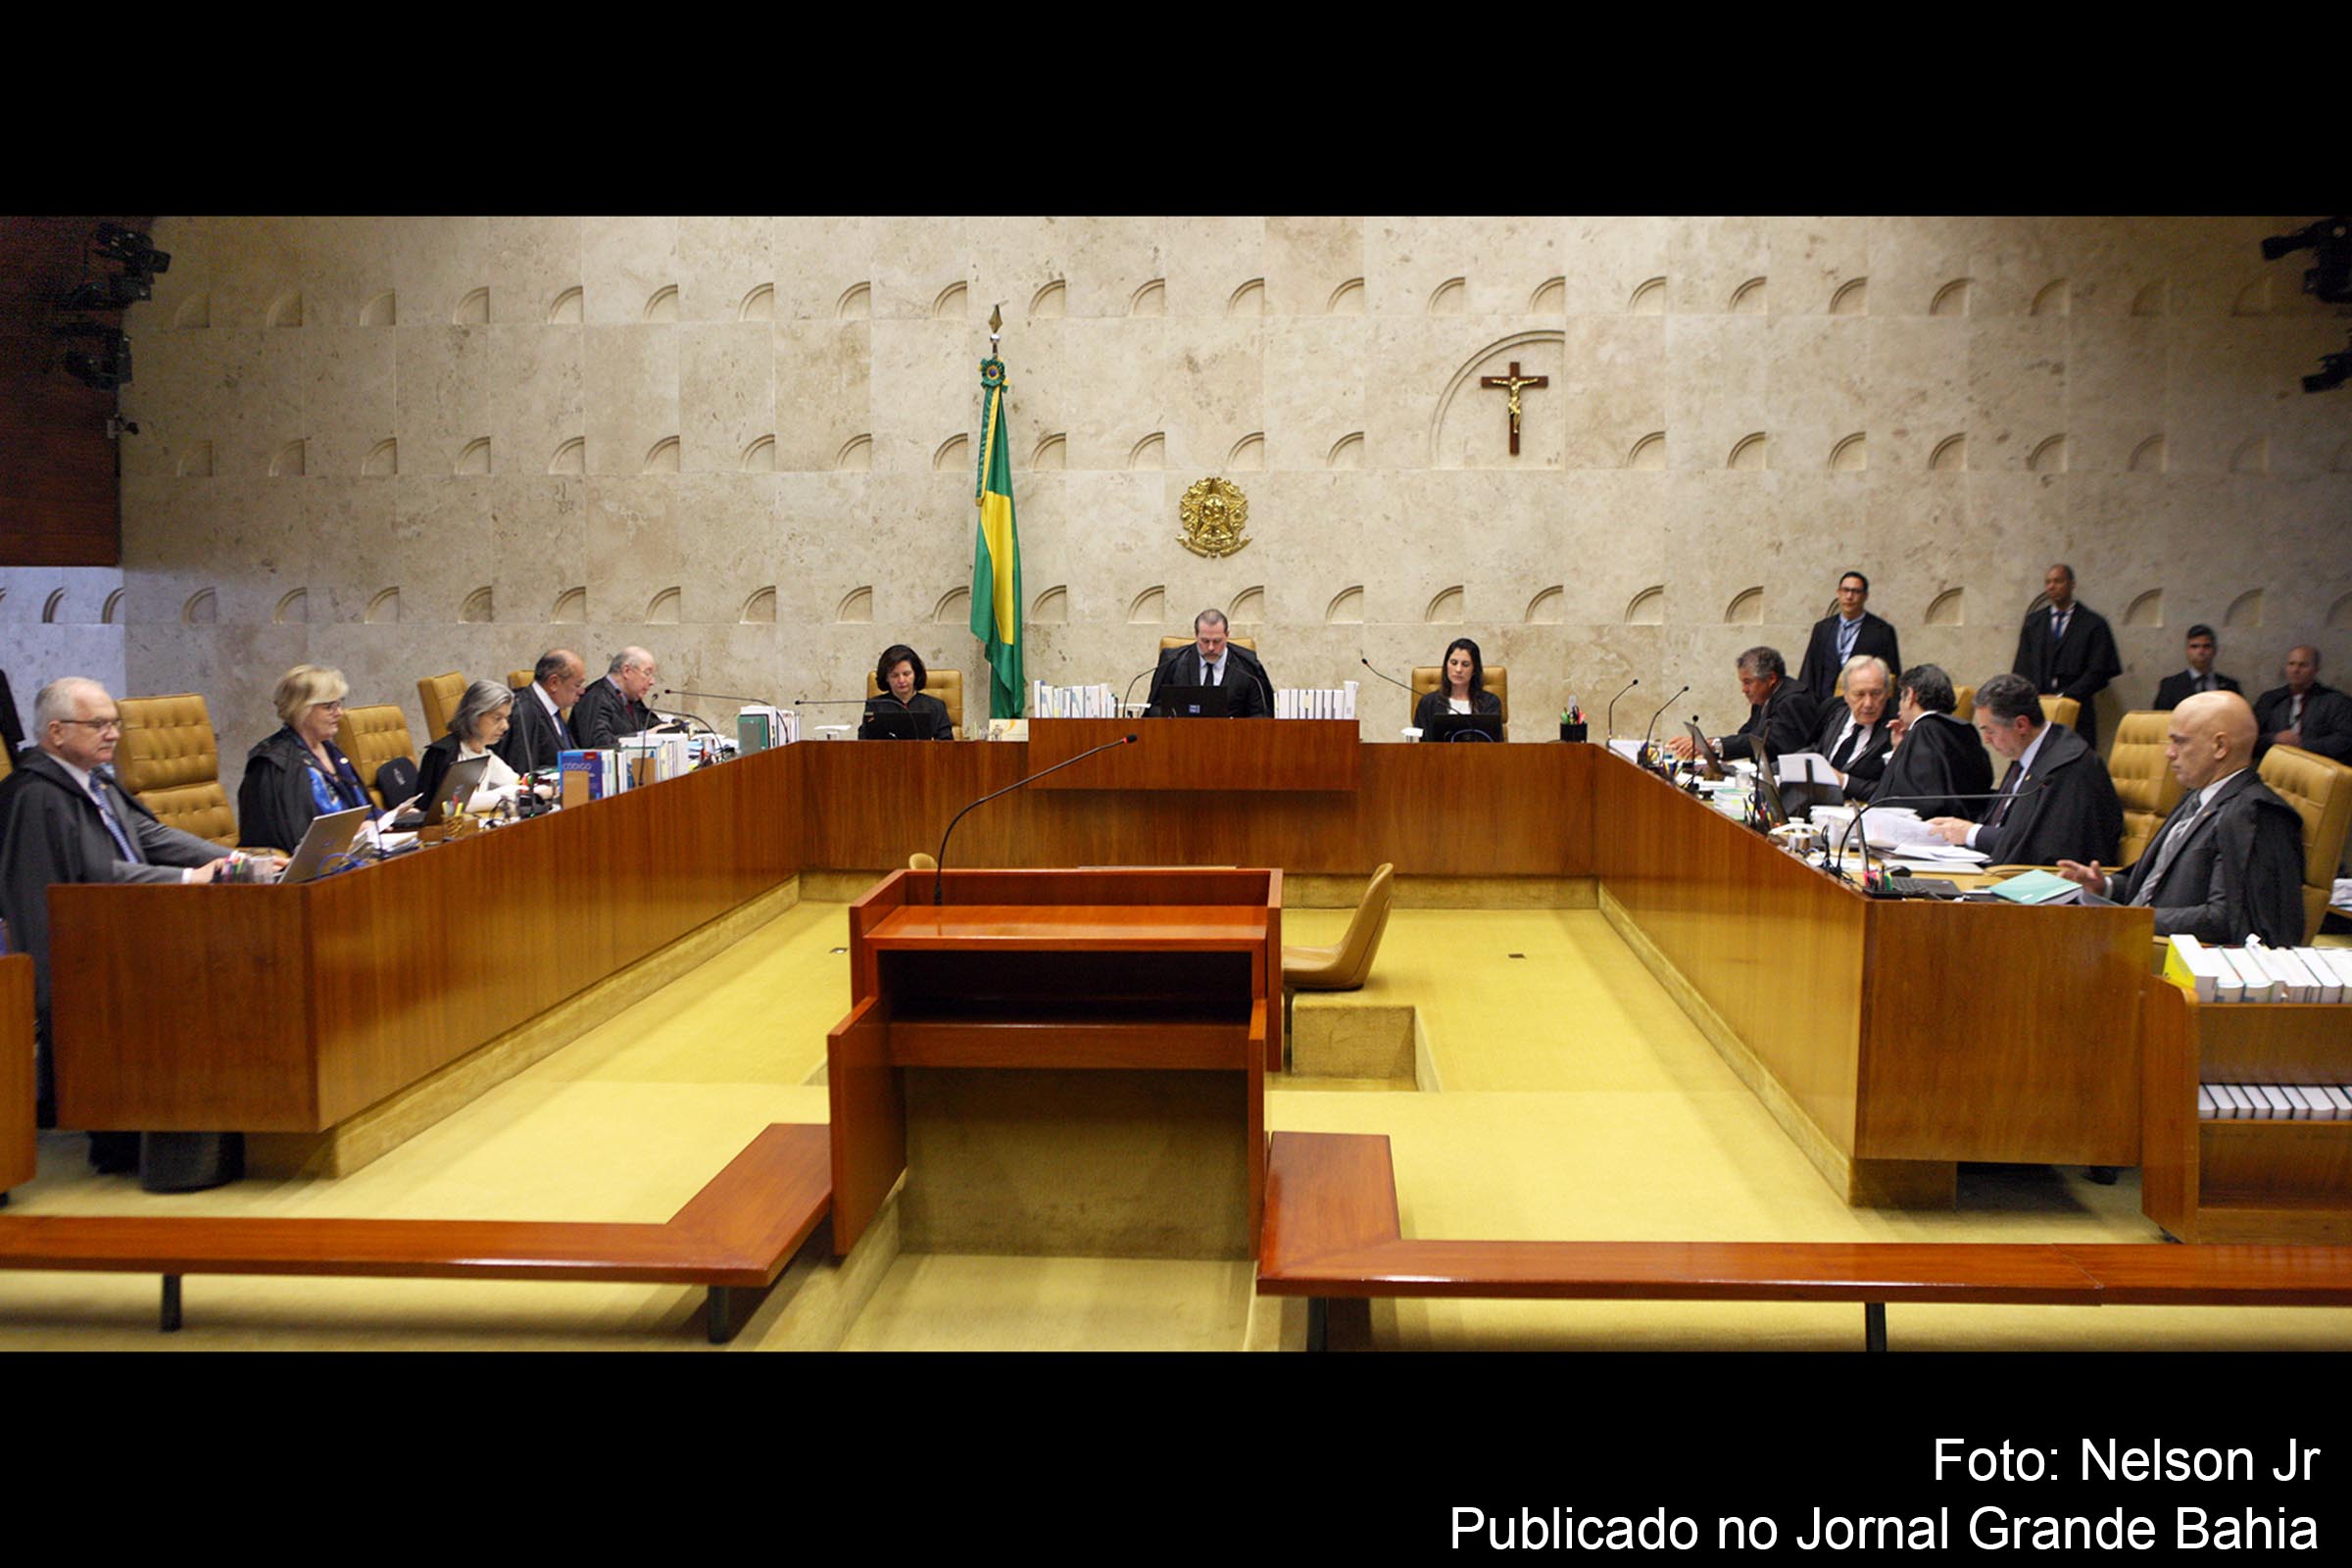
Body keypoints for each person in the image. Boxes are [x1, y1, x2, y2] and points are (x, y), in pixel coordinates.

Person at [0, 677, 237, 1186]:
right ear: (57, 731)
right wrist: (186, 879)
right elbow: (92, 873)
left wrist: (234, 858)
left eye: (115, 723)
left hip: (135, 927)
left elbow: (150, 835)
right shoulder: (36, 794)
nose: (112, 735)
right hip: (81, 952)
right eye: (99, 724)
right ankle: (127, 1134)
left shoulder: (98, 779)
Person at [2054, 692, 2304, 946]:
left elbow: (2227, 920)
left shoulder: (2255, 815)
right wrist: (2105, 887)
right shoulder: (2197, 796)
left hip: (2170, 959)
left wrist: (2128, 919)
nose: (2169, 753)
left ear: (2220, 747)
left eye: (2179, 742)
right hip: (2132, 940)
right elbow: (2158, 880)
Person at [1928, 672, 2121, 866]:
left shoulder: (2067, 768)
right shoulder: (2027, 754)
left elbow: (2042, 846)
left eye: (1990, 731)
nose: (1986, 740)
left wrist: (1971, 833)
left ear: (2021, 725)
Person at [238, 663, 371, 854]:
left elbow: (362, 808)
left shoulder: (330, 751)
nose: (339, 713)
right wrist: (347, 835)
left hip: (352, 854)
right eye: (329, 706)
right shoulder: (274, 764)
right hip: (311, 867)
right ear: (302, 709)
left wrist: (392, 818)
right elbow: (288, 838)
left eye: (339, 703)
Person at [2011, 563, 2122, 752]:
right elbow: (2022, 667)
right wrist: (2035, 697)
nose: (2051, 587)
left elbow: (2100, 670)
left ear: (2071, 584)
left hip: (2078, 711)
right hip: (2038, 711)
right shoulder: (2034, 622)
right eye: (2048, 582)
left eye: (2058, 581)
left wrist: (2065, 697)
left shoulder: (2093, 623)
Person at [1864, 663, 1993, 817]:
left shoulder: (1924, 730)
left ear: (1910, 696)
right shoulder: (1964, 729)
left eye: (1901, 698)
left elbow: (1910, 798)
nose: (1898, 709)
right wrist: (1901, 749)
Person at [1669, 646, 1818, 763]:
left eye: (1748, 682)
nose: (1744, 690)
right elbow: (1745, 735)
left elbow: (1762, 741)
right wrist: (1707, 747)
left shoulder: (1793, 700)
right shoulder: (1764, 698)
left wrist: (1712, 744)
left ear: (1771, 678)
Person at [416, 680, 527, 814]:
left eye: (507, 718)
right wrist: (504, 796)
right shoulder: (445, 754)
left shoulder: (485, 752)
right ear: (474, 716)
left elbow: (515, 782)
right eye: (497, 718)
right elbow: (458, 804)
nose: (505, 726)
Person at [1793, 571, 1901, 710]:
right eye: (1845, 590)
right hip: (1823, 707)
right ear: (1838, 593)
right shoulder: (1823, 628)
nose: (1849, 596)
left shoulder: (1882, 631)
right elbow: (1809, 670)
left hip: (1861, 707)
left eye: (1856, 591)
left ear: (1865, 596)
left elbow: (1891, 678)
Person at [1146, 610, 1272, 717]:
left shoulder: (1246, 667)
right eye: (1205, 641)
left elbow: (1261, 714)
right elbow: (1155, 708)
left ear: (1227, 635)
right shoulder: (1174, 662)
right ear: (1196, 635)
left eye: (1217, 641)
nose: (1211, 647)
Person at [1810, 655, 1895, 797]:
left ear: (1887, 693)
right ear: (1846, 695)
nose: (1868, 703)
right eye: (1859, 694)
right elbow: (1817, 748)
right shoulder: (1835, 712)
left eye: (1876, 694)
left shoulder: (1896, 730)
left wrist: (1844, 781)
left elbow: (1890, 790)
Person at [2251, 645, 2352, 763]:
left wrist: (2302, 746)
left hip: (2317, 768)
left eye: (2303, 665)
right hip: (2274, 767)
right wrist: (2274, 738)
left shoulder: (2336, 701)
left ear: (2316, 669)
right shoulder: (2270, 699)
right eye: (2291, 664)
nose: (2295, 670)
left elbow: (2345, 739)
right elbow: (2251, 737)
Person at [495, 648, 586, 775]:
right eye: (577, 685)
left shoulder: (552, 708)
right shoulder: (524, 714)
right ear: (554, 683)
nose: (582, 691)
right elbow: (522, 773)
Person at [571, 647, 660, 750]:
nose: (652, 682)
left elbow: (651, 724)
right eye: (647, 673)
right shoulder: (596, 698)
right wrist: (642, 737)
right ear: (627, 671)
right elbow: (599, 743)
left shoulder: (630, 697)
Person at [1412, 637, 1502, 735]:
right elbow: (1419, 746)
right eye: (1454, 663)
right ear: (1446, 665)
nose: (1458, 669)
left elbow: (1496, 746)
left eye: (1465, 664)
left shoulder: (1490, 703)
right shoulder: (1428, 703)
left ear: (1474, 670)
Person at [863, 644, 956, 739]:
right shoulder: (875, 706)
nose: (901, 680)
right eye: (895, 675)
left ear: (916, 674)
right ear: (886, 677)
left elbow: (947, 745)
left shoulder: (936, 706)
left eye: (906, 674)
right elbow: (864, 743)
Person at [2152, 625, 2240, 710]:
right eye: (2194, 646)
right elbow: (2161, 719)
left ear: (2214, 650)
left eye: (2206, 646)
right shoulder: (2170, 686)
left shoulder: (2230, 686)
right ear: (2187, 651)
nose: (2201, 651)